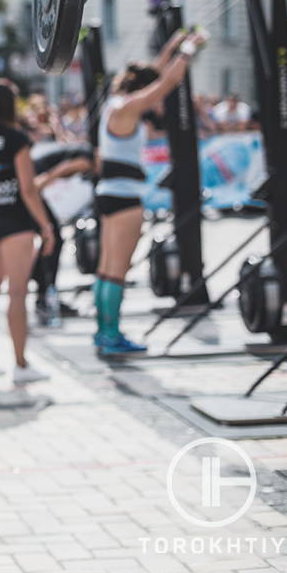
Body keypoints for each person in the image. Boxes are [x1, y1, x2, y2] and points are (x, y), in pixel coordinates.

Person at [93, 28, 206, 355]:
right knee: (117, 269)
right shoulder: (126, 107)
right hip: (124, 196)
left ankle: (104, 332)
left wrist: (172, 43)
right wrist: (188, 49)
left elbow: (156, 73)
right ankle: (111, 335)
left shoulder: (114, 104)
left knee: (106, 266)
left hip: (108, 193)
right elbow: (166, 83)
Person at [0, 79, 55, 385]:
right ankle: (20, 364)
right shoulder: (16, 138)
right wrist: (45, 226)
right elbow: (28, 188)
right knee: (17, 292)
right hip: (16, 221)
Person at [31, 143, 94, 325]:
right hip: (32, 187)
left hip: (33, 187)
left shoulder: (84, 155)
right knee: (53, 238)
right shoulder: (86, 161)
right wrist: (42, 183)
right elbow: (60, 170)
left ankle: (43, 289)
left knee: (53, 239)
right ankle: (42, 288)